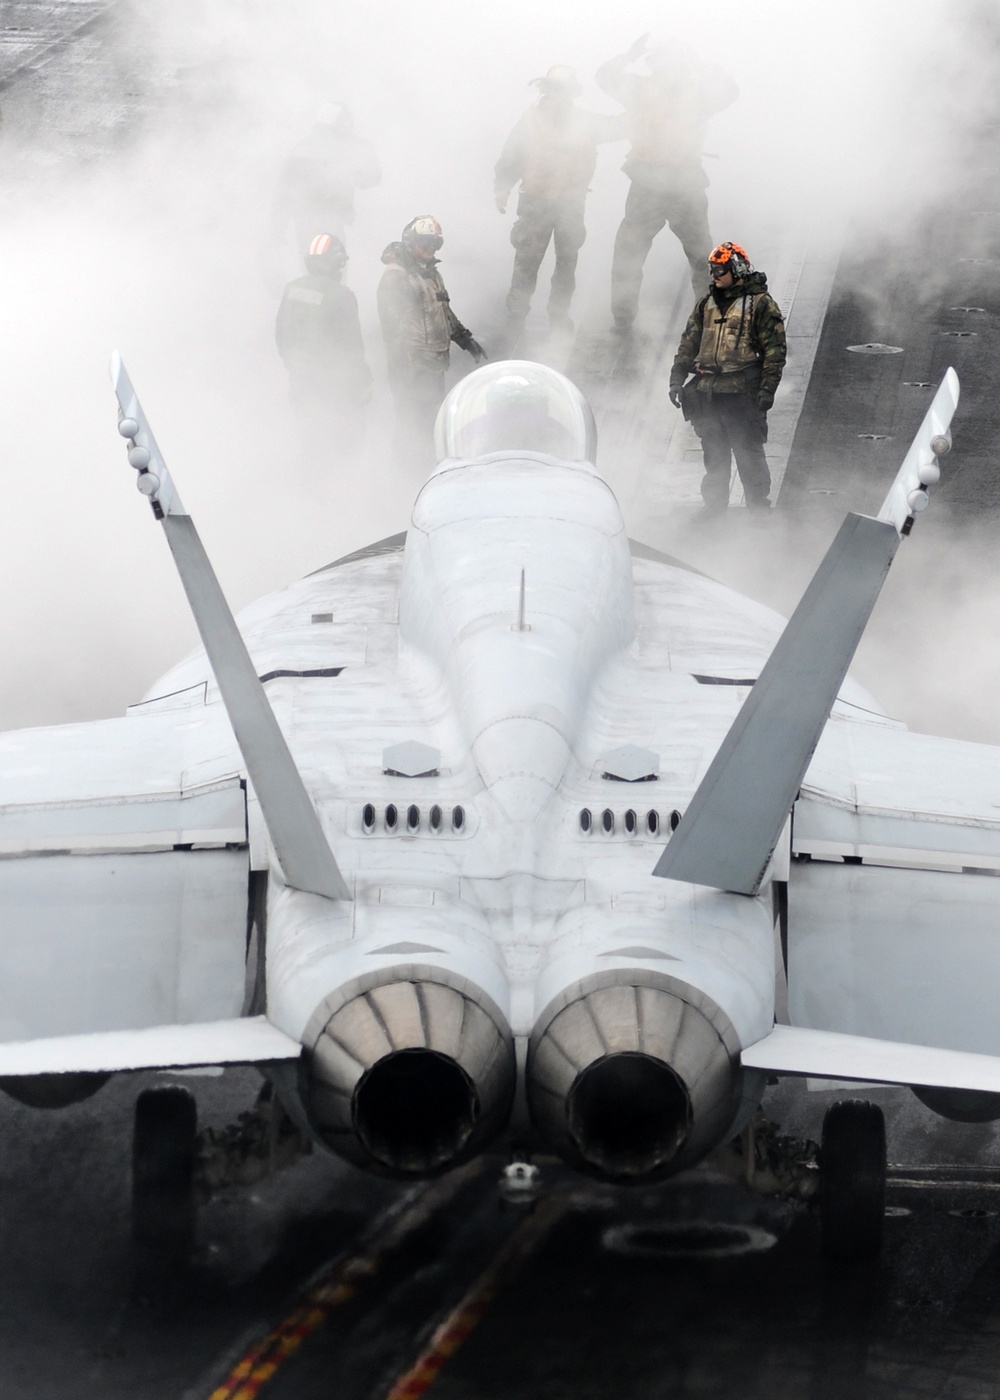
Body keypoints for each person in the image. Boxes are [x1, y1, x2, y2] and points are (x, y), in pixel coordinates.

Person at [597, 34, 738, 330]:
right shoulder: (642, 89)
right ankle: (623, 319)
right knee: (631, 254)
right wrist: (628, 56)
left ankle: (709, 314)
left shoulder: (695, 94)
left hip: (681, 182)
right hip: (652, 181)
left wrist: (702, 66)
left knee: (701, 257)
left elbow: (730, 91)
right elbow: (605, 76)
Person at [494, 65, 624, 336]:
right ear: (545, 91)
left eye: (563, 91)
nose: (558, 97)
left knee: (566, 263)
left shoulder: (584, 121)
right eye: (553, 90)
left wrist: (649, 112)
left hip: (571, 205)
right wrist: (502, 187)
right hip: (535, 202)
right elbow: (511, 156)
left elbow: (618, 127)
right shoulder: (529, 121)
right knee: (526, 262)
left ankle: (558, 315)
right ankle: (516, 315)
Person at [668, 241, 786, 519]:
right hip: (708, 393)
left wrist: (767, 390)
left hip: (741, 394)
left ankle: (759, 510)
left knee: (749, 454)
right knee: (714, 455)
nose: (715, 276)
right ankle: (713, 509)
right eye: (712, 270)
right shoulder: (705, 304)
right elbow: (688, 343)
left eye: (720, 270)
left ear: (737, 269)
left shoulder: (760, 304)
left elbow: (775, 351)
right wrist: (676, 378)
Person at [377, 216, 486, 465]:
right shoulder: (397, 277)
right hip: (411, 366)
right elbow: (390, 328)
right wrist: (402, 365)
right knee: (409, 423)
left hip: (433, 363)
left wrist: (464, 338)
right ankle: (403, 476)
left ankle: (424, 467)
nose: (430, 250)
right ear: (409, 242)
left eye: (435, 245)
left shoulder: (431, 273)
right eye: (424, 244)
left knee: (430, 423)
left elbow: (443, 311)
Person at [275, 233, 372, 454]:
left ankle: (311, 487)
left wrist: (294, 365)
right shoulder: (341, 295)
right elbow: (353, 346)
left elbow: (280, 335)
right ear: (337, 263)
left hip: (300, 383)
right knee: (342, 447)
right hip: (333, 388)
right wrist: (364, 382)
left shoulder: (291, 289)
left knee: (311, 445)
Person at [273, 103, 380, 256]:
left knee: (320, 267)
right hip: (319, 222)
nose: (350, 127)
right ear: (332, 123)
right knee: (331, 267)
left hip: (320, 222)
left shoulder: (309, 147)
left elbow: (369, 178)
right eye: (344, 122)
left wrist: (277, 230)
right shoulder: (329, 150)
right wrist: (277, 230)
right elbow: (285, 192)